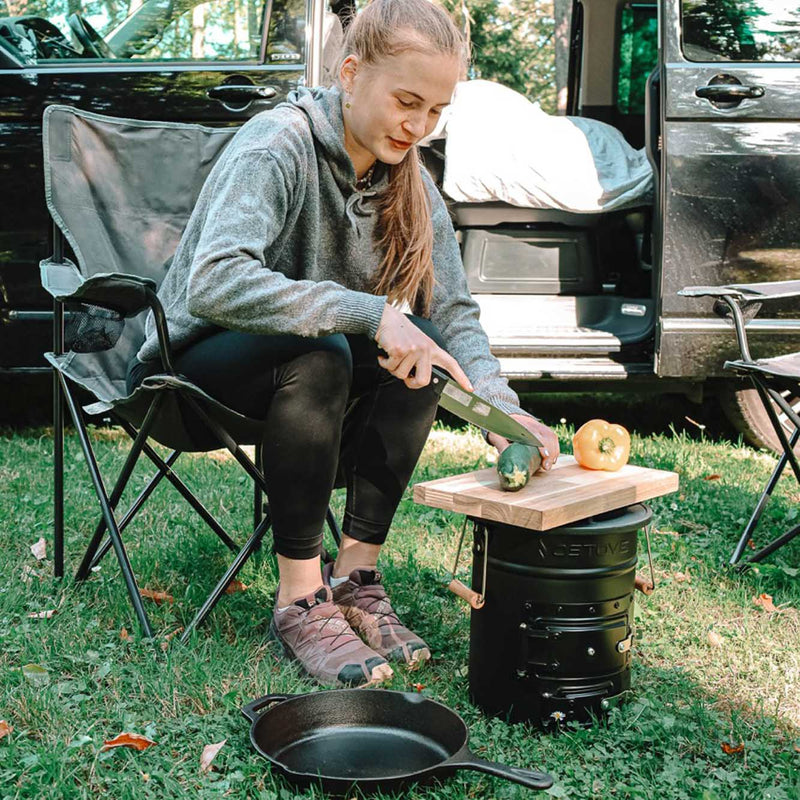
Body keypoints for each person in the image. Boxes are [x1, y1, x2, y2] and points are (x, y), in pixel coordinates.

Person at [128, 0, 559, 688]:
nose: (418, 126)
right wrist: (367, 311)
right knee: (328, 346)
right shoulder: (279, 145)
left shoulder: (410, 179)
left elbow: (452, 311)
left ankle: (355, 576)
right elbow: (212, 282)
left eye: (436, 112)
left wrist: (506, 409)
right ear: (352, 74)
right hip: (188, 381)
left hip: (304, 396)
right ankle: (301, 599)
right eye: (406, 102)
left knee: (418, 355)